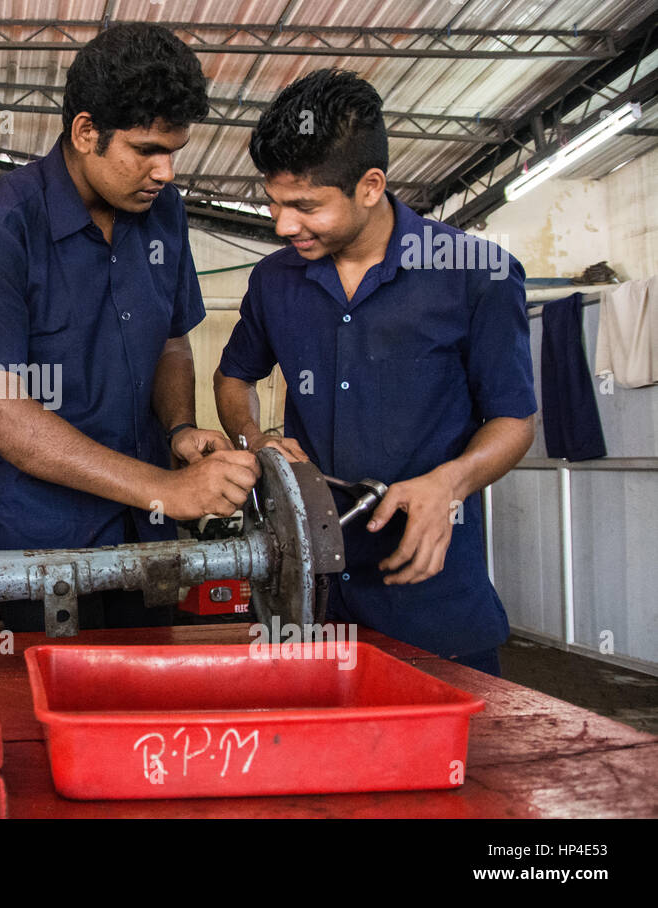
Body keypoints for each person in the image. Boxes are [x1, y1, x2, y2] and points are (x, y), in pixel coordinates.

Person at [0, 23, 258, 631]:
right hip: (44, 548)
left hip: (146, 536)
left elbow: (171, 340)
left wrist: (179, 429)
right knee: (48, 708)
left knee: (141, 707)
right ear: (86, 132)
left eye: (174, 152)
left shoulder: (164, 214)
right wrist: (169, 489)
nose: (165, 171)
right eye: (146, 150)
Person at [214, 69, 536, 674]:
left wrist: (451, 482)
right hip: (306, 605)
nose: (283, 226)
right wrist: (256, 444)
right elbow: (234, 378)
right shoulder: (274, 281)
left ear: (370, 185)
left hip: (435, 608)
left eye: (305, 206)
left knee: (453, 766)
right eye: (274, 202)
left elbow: (515, 420)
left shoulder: (477, 275)